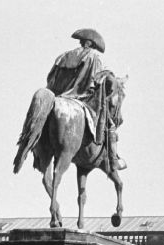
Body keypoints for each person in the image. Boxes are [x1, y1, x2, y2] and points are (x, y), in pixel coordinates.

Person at [46, 29, 126, 170]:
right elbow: (96, 79)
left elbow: (51, 78)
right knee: (109, 124)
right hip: (81, 96)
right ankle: (113, 159)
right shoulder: (92, 56)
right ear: (91, 44)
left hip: (57, 96)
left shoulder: (63, 56)